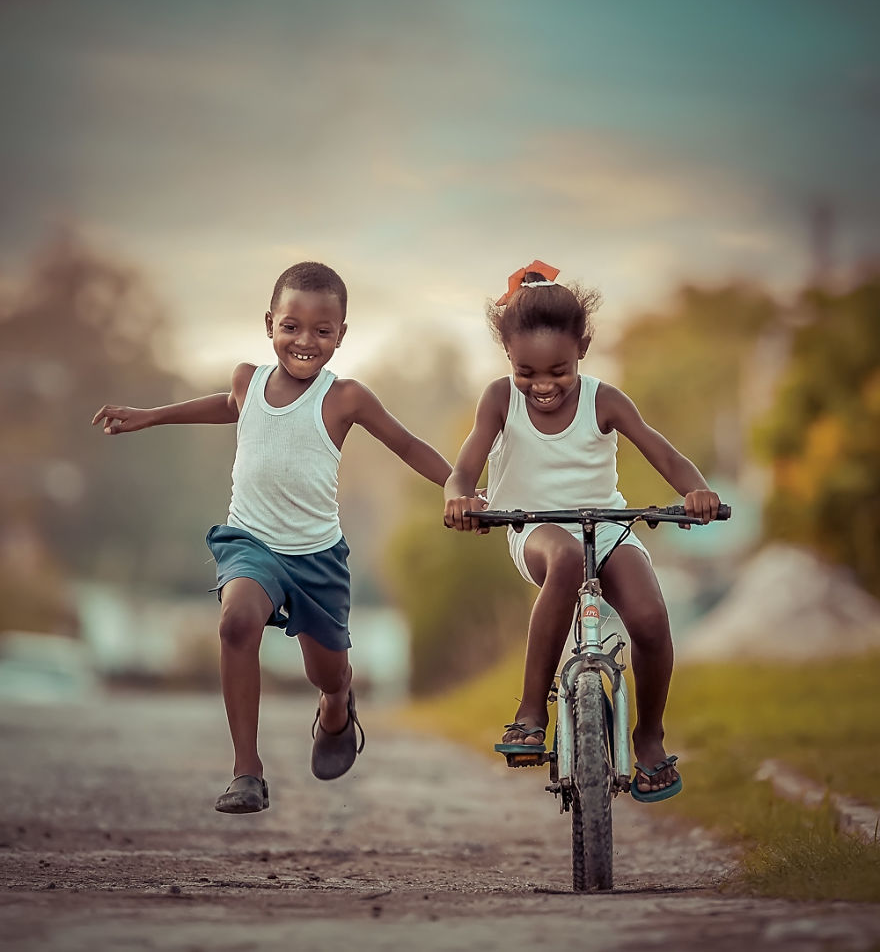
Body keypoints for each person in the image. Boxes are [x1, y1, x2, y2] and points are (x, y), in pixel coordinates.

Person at [93, 261, 452, 814]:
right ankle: (247, 772)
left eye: (322, 331)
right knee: (237, 620)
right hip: (251, 542)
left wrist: (460, 487)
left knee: (325, 671)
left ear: (342, 335)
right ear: (269, 324)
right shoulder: (247, 379)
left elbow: (406, 446)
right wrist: (151, 416)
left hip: (317, 556)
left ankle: (336, 704)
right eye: (291, 326)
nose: (305, 341)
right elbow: (226, 407)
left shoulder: (347, 397)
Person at [443, 261, 721, 802]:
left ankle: (649, 736)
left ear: (583, 348)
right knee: (567, 558)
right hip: (534, 530)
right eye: (528, 372)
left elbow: (664, 453)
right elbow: (464, 467)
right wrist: (459, 496)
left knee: (649, 616)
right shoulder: (499, 399)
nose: (542, 385)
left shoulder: (606, 400)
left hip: (608, 524)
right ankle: (529, 711)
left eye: (558, 371)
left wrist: (698, 490)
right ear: (508, 359)